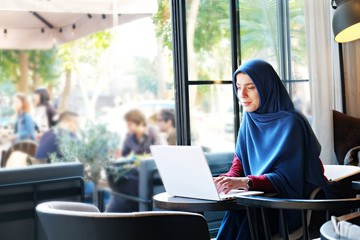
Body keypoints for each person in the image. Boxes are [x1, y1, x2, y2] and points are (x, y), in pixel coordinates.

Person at [213, 59, 328, 240]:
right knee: (236, 216)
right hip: (258, 202)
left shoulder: (291, 124)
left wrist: (245, 182)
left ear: (266, 87)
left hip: (288, 204)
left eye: (250, 87)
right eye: (238, 86)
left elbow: (286, 179)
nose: (241, 94)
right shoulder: (249, 120)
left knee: (247, 219)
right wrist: (225, 180)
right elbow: (239, 163)